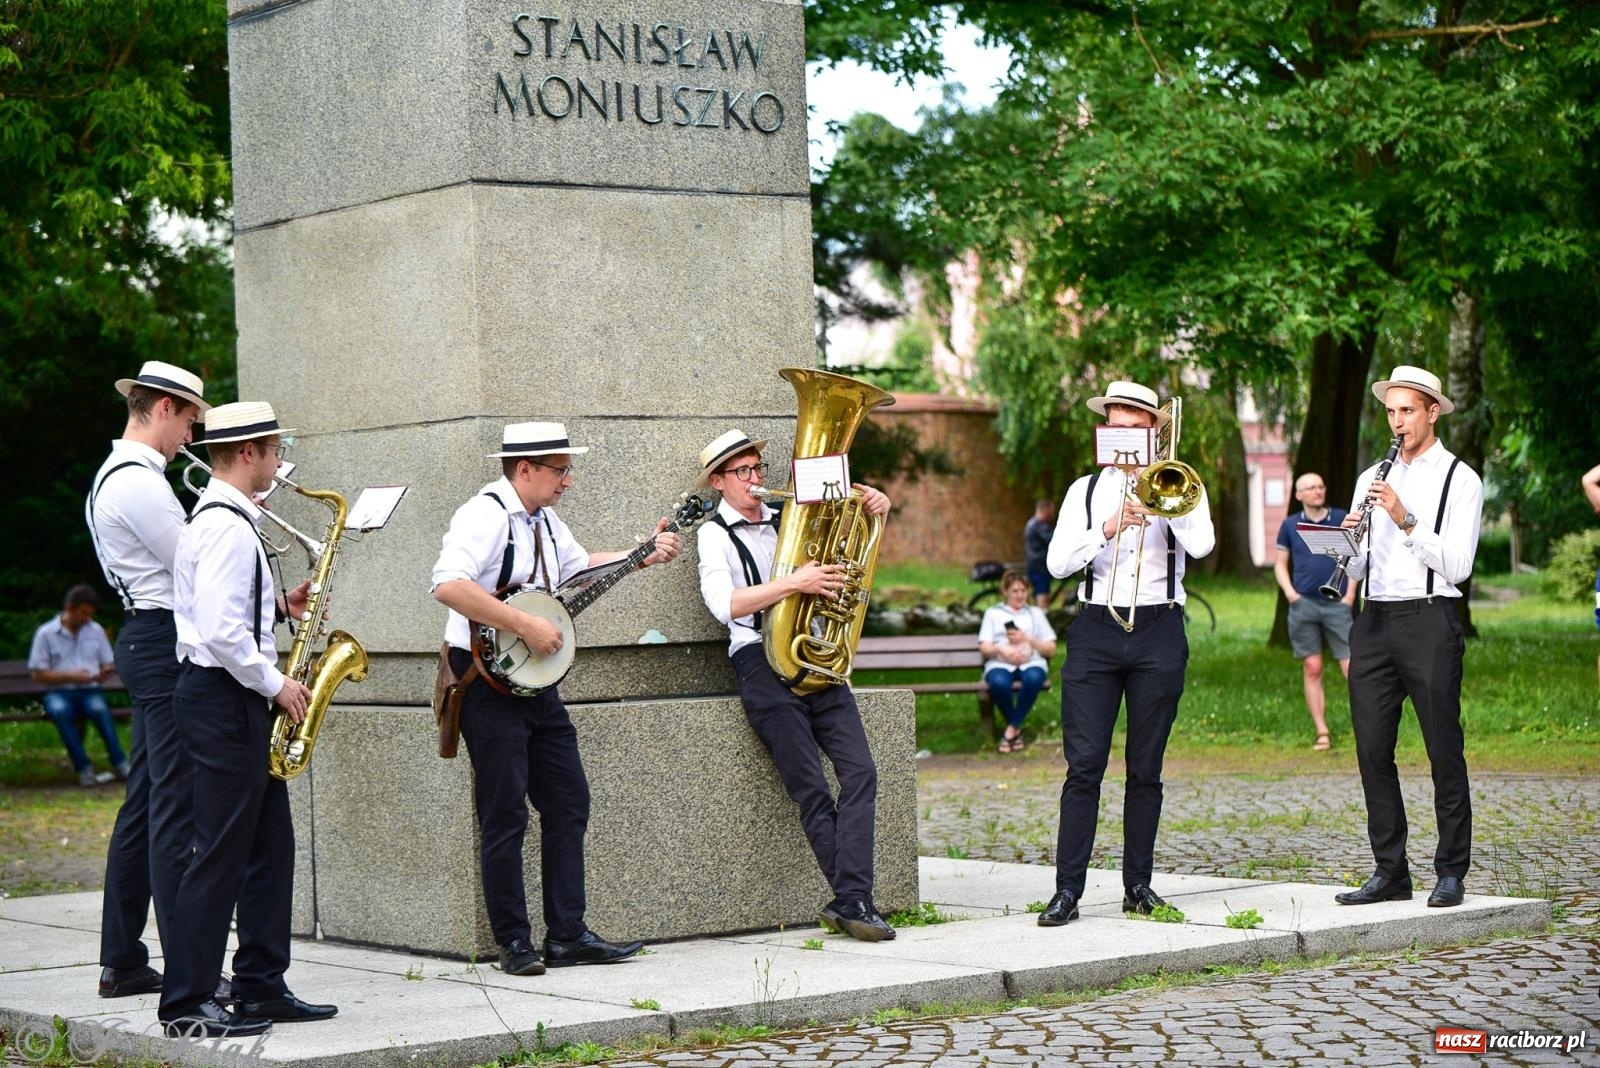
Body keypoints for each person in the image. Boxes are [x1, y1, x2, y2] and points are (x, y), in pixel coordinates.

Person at [432, 421, 682, 977]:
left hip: (535, 681)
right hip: (483, 682)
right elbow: (448, 584)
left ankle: (567, 936)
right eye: (560, 470)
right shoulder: (485, 515)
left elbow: (578, 566)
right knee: (504, 815)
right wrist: (525, 622)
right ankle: (514, 942)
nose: (568, 480)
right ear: (525, 470)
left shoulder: (544, 520)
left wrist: (642, 553)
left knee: (568, 801)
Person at [159, 401, 334, 1038]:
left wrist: (281, 607)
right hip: (225, 697)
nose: (280, 461)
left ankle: (261, 986)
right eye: (274, 448)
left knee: (268, 849)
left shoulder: (228, 519)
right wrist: (279, 684)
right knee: (222, 855)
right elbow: (222, 633)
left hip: (228, 694)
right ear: (249, 453)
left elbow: (233, 617)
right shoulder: (228, 526)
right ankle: (185, 1001)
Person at [694, 428, 897, 942]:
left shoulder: (794, 518)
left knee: (862, 772)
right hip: (760, 664)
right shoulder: (714, 533)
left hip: (818, 656)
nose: (756, 479)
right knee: (811, 789)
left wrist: (877, 510)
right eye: (742, 472)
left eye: (759, 468)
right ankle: (856, 899)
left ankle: (851, 899)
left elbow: (846, 563)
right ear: (719, 481)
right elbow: (726, 605)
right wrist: (795, 582)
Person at [1036, 381, 1214, 929]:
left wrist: (1165, 503)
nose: (1126, 435)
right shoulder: (1083, 491)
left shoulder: (1181, 483)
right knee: (1083, 766)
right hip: (1095, 627)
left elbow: (1203, 545)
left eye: (1137, 426)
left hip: (1160, 627)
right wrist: (1106, 527)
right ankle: (1068, 890)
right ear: (1105, 429)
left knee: (1146, 768)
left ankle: (1138, 886)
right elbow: (1057, 564)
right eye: (1117, 425)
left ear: (1154, 430)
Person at [1334, 366, 1482, 911]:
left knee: (1443, 746)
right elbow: (1357, 571)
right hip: (1373, 621)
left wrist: (1405, 517)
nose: (1397, 422)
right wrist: (1343, 544)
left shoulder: (1460, 479)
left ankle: (1451, 870)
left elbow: (1459, 566)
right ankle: (1390, 870)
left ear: (1432, 412)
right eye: (1391, 411)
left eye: (1407, 411)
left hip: (1430, 620)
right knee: (1372, 749)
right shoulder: (1371, 474)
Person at [84, 360, 210, 1001]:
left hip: (148, 636)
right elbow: (193, 567)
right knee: (172, 808)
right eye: (190, 420)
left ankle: (123, 959)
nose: (191, 436)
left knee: (144, 806)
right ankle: (187, 972)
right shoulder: (138, 481)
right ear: (163, 408)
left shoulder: (125, 474)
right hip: (162, 641)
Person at [1273, 472, 1355, 751]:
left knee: (1351, 668)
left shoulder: (1342, 518)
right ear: (1299, 495)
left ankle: (1368, 729)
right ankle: (1322, 731)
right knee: (1312, 668)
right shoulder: (1290, 525)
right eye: (1311, 487)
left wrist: (1351, 595)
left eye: (1321, 486)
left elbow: (1355, 557)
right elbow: (1280, 564)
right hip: (1304, 604)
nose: (1318, 491)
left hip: (1338, 604)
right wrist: (1290, 594)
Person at [28, 585, 124, 787]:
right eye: (83, 613)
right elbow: (37, 673)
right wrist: (69, 676)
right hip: (59, 692)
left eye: (90, 614)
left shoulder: (95, 630)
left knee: (99, 709)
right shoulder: (46, 633)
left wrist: (105, 671)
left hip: (90, 690)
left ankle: (121, 763)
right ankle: (84, 769)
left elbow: (107, 661)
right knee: (60, 711)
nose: (87, 618)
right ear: (69, 608)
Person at [978, 569, 1057, 753]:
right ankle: (1015, 729)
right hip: (1001, 662)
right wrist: (1001, 648)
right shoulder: (993, 613)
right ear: (1005, 592)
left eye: (1023, 590)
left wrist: (1027, 640)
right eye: (1015, 591)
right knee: (998, 682)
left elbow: (1051, 648)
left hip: (1030, 661)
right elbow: (984, 647)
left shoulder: (1035, 613)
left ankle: (1011, 729)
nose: (1020, 595)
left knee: (1034, 678)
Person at [1023, 500, 1058, 608]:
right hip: (1040, 566)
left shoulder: (1031, 523)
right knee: (1042, 598)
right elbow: (1053, 540)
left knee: (1037, 597)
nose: (1053, 515)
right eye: (1052, 511)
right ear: (1045, 510)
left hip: (1033, 564)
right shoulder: (1039, 526)